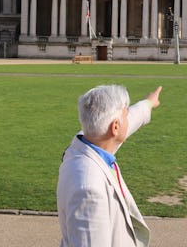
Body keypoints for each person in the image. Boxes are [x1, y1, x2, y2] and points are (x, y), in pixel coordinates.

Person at [58, 84, 163, 247]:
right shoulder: (88, 189)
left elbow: (131, 120)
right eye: (125, 115)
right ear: (115, 127)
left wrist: (148, 103)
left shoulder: (89, 141)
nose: (128, 119)